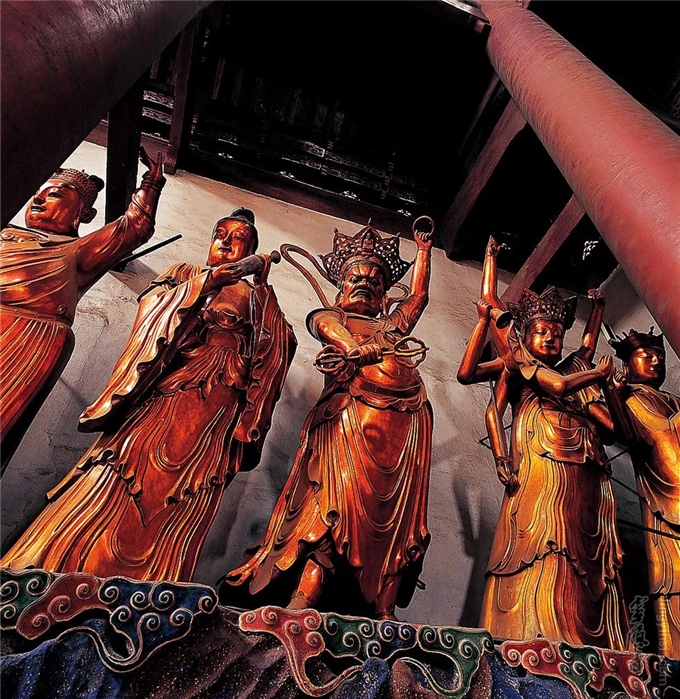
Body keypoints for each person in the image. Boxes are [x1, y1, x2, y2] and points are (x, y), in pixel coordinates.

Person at [1, 208, 296, 582]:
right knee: (121, 467)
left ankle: (158, 581)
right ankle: (58, 564)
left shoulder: (259, 299)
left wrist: (264, 295)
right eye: (220, 234)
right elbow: (153, 309)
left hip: (218, 407)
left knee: (191, 488)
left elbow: (278, 347)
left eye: (238, 238)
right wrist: (206, 285)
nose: (226, 242)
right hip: (162, 392)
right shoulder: (185, 273)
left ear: (251, 250)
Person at [221, 221, 434, 620]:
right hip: (349, 422)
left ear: (384, 296)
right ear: (340, 289)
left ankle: (385, 609)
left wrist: (423, 251)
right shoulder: (330, 316)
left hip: (405, 428)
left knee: (397, 524)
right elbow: (332, 333)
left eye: (374, 281)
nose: (365, 284)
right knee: (331, 507)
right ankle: (305, 596)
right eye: (356, 277)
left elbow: (419, 297)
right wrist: (357, 350)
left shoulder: (391, 328)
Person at [457, 244, 629, 649]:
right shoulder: (518, 363)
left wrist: (598, 310)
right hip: (540, 455)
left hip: (584, 461)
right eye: (542, 332)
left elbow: (587, 348)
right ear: (525, 334)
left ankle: (588, 630)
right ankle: (533, 624)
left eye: (557, 333)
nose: (551, 338)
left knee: (585, 538)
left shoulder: (574, 366)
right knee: (544, 534)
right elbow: (486, 395)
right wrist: (501, 456)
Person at [0, 149, 165, 473]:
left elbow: (135, 226)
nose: (38, 200)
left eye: (55, 194)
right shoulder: (6, 234)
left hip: (27, 332)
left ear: (82, 214)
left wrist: (151, 183)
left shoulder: (75, 250)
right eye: (37, 193)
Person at [606, 329, 680, 658]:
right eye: (646, 356)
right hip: (668, 499)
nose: (655, 361)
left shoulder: (673, 400)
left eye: (659, 356)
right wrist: (612, 392)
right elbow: (641, 438)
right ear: (627, 364)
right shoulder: (632, 398)